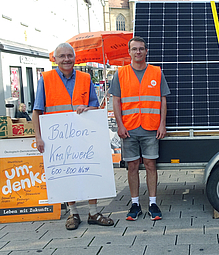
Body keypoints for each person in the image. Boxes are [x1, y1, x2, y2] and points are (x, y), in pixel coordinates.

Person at [32, 43, 114, 230]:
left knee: (90, 170)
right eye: (62, 56)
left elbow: (95, 105)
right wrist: (38, 137)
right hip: (58, 138)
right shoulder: (45, 79)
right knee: (66, 173)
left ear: (75, 58)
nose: (66, 59)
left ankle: (93, 212)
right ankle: (73, 213)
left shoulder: (85, 78)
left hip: (84, 134)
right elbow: (37, 111)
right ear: (55, 59)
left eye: (69, 55)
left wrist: (88, 108)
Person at [110, 36, 170, 221]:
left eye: (141, 49)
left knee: (151, 165)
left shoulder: (156, 72)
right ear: (129, 52)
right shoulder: (120, 74)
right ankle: (135, 203)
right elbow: (116, 101)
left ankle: (153, 203)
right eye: (134, 49)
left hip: (151, 128)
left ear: (146, 51)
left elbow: (162, 99)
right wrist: (119, 125)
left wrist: (162, 124)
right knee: (132, 166)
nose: (138, 52)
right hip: (129, 128)